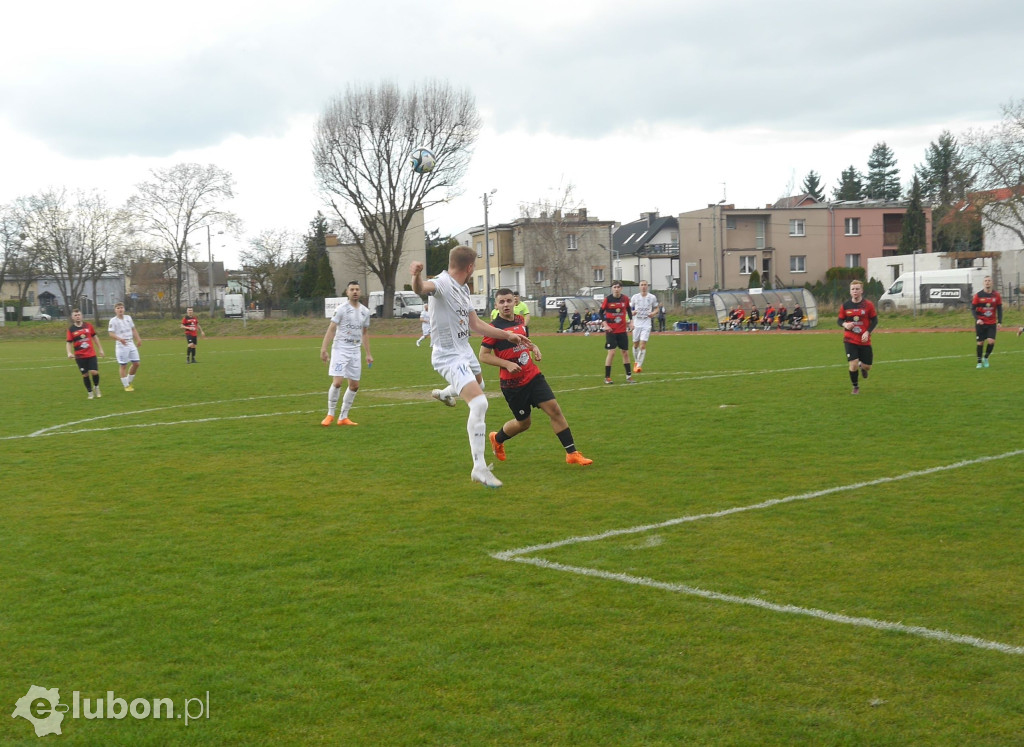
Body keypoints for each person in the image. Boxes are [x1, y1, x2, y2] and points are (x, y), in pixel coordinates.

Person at [410, 247, 528, 488]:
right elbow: (422, 289)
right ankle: (479, 468)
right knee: (479, 402)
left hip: (464, 350)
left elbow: (476, 324)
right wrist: (416, 277)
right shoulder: (442, 283)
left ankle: (445, 393)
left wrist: (507, 335)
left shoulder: (463, 290)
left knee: (480, 384)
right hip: (448, 355)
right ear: (471, 267)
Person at [480, 289, 593, 466]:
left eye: (509, 301)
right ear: (496, 305)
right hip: (513, 385)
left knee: (555, 410)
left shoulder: (520, 321)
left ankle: (572, 453)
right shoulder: (493, 329)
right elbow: (484, 355)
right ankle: (497, 438)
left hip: (533, 376)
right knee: (524, 423)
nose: (506, 304)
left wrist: (534, 348)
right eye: (501, 302)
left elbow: (525, 341)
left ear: (515, 302)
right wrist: (507, 364)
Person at [320, 280, 373, 426]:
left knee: (354, 385)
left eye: (357, 289)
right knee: (337, 383)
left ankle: (343, 417)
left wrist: (368, 353)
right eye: (352, 289)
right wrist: (324, 348)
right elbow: (331, 329)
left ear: (360, 292)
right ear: (347, 292)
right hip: (340, 349)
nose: (355, 292)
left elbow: (364, 333)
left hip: (355, 350)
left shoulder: (365, 311)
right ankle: (330, 414)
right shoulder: (341, 309)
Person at [838, 280, 878, 394]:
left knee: (867, 367)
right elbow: (839, 320)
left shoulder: (868, 305)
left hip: (864, 340)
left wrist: (867, 332)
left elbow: (874, 320)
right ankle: (855, 387)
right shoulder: (845, 306)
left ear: (861, 290)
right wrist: (845, 324)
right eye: (852, 289)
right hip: (849, 339)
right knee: (853, 363)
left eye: (857, 289)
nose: (855, 291)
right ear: (850, 291)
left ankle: (863, 367)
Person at [66, 308, 105, 399]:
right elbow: (68, 342)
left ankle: (96, 387)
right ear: (72, 317)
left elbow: (95, 337)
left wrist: (100, 349)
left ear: (82, 316)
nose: (77, 316)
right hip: (79, 356)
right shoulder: (71, 329)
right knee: (85, 374)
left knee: (94, 372)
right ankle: (90, 392)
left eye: (79, 315)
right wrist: (69, 352)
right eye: (75, 315)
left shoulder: (88, 326)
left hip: (91, 354)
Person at [600, 280, 635, 384]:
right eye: (614, 287)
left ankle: (629, 376)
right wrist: (605, 324)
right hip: (611, 330)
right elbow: (601, 312)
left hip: (622, 330)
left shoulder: (625, 299)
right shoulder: (608, 299)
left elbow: (628, 310)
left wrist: (631, 322)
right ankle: (607, 377)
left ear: (621, 288)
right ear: (612, 288)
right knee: (612, 352)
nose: (616, 289)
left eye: (618, 287)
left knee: (625, 352)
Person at [108, 302, 142, 391]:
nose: (120, 309)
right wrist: (120, 339)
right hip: (121, 345)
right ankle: (126, 386)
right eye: (118, 308)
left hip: (131, 343)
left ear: (124, 309)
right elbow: (111, 333)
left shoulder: (128, 318)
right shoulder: (113, 321)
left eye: (121, 308)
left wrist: (138, 339)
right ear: (115, 310)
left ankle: (128, 381)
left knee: (136, 363)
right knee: (123, 365)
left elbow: (133, 329)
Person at [971, 275, 1002, 368]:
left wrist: (1000, 322)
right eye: (986, 281)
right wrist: (978, 319)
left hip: (992, 323)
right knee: (980, 343)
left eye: (989, 280)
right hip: (981, 323)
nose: (987, 282)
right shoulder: (978, 295)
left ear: (992, 283)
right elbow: (972, 309)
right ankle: (979, 362)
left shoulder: (996, 295)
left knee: (991, 341)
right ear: (983, 283)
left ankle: (986, 357)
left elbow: (1000, 309)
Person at [629, 280, 658, 373]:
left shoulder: (652, 297)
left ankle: (638, 366)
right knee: (635, 344)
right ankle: (636, 362)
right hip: (637, 323)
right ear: (639, 286)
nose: (643, 287)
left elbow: (657, 308)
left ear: (647, 286)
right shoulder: (635, 297)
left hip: (646, 323)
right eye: (642, 285)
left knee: (643, 345)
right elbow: (628, 308)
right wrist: (632, 313)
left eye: (645, 285)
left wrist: (653, 313)